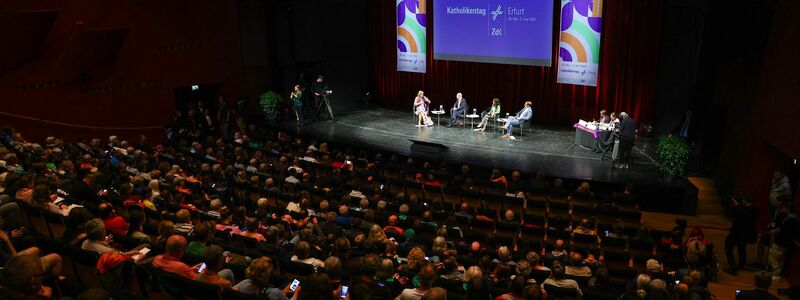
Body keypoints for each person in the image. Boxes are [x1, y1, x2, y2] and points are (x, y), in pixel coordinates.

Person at [724, 195, 757, 275]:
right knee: (742, 249)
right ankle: (741, 265)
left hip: (736, 233)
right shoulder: (755, 210)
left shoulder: (741, 210)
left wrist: (735, 206)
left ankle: (733, 267)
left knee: (728, 247)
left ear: (745, 200)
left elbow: (732, 215)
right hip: (747, 234)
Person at [767, 198, 797, 281]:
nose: (782, 209)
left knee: (775, 257)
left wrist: (773, 231)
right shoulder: (791, 217)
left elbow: (782, 229)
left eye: (783, 208)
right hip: (783, 241)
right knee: (778, 257)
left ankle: (776, 274)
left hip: (782, 242)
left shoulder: (791, 219)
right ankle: (775, 272)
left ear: (788, 208)